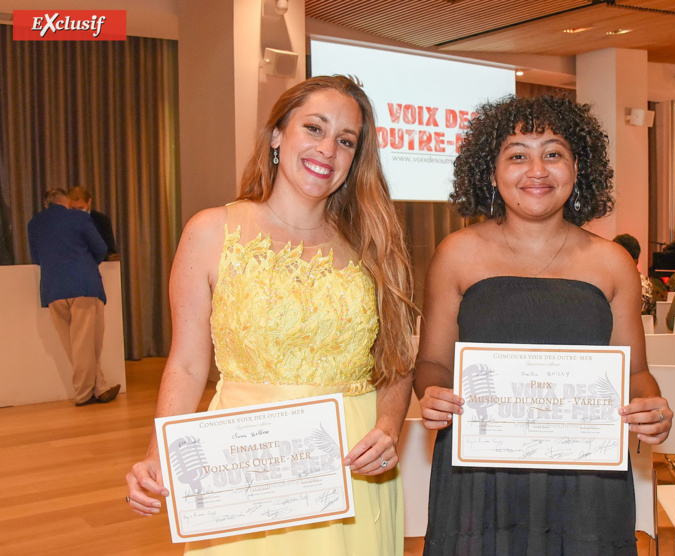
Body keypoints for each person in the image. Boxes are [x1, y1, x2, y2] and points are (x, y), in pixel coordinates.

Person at [124, 76, 415, 555]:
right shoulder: (211, 231)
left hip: (350, 464)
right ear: (277, 134)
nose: (328, 149)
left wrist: (387, 426)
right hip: (245, 463)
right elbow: (187, 364)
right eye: (314, 129)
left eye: (346, 141)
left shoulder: (375, 245)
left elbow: (397, 359)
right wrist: (158, 452)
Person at [414, 95, 672, 555]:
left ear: (578, 168)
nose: (537, 170)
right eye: (517, 155)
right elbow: (432, 361)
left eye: (553, 153)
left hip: (586, 479)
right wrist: (431, 394)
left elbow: (634, 372)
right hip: (479, 479)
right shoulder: (456, 252)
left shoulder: (612, 263)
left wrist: (650, 405)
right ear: (491, 172)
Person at [27, 188, 121, 406]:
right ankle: (83, 394)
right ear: (66, 202)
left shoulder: (34, 223)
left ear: (46, 204)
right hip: (83, 285)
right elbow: (100, 249)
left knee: (74, 345)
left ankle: (101, 388)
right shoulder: (78, 217)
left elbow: (36, 256)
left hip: (52, 288)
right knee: (87, 343)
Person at [67, 186, 119, 261]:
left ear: (89, 202)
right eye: (73, 209)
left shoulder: (102, 220)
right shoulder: (65, 221)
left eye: (81, 208)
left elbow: (110, 250)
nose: (77, 212)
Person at [612, 233, 657, 318]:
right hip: (644, 330)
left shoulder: (608, 284)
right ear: (636, 260)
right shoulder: (647, 284)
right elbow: (652, 318)